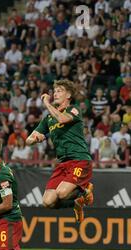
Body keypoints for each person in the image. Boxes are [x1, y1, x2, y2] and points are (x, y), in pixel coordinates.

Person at [26, 80, 94, 222]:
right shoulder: (48, 119)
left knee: (62, 193)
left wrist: (46, 103)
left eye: (59, 91)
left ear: (68, 95)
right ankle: (77, 201)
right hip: (62, 163)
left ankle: (83, 190)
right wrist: (36, 138)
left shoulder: (74, 109)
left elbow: (62, 119)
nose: (55, 93)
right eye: (54, 91)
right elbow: (28, 140)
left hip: (79, 159)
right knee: (47, 201)